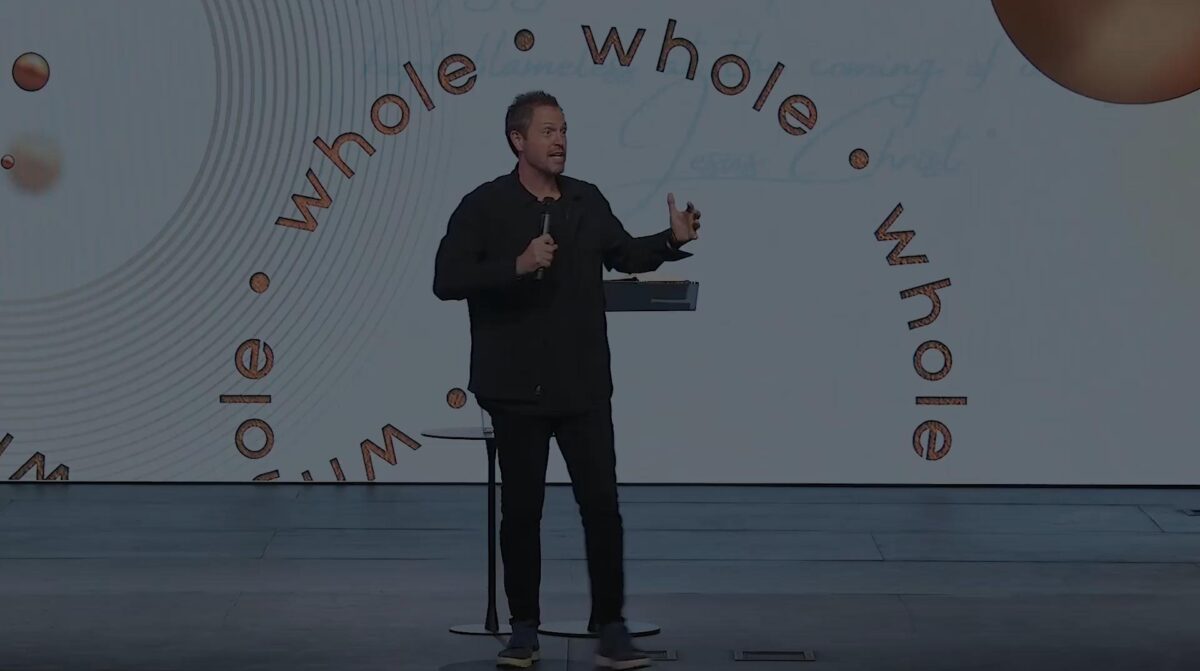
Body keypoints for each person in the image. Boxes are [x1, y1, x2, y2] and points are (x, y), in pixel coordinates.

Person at [433, 90, 701, 670]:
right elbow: (447, 279)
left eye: (564, 131)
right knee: (522, 513)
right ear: (518, 140)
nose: (559, 141)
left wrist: (671, 240)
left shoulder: (586, 199)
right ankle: (524, 629)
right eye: (548, 131)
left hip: (582, 385)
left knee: (602, 507)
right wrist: (517, 265)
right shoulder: (484, 205)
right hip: (514, 388)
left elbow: (625, 254)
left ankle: (611, 626)